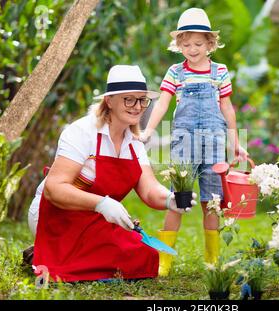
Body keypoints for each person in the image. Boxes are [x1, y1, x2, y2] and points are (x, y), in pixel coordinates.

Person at [28, 65, 197, 282]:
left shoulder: (134, 144)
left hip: (95, 220)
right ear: (109, 101)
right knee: (101, 260)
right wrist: (102, 204)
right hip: (54, 214)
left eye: (142, 100)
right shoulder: (82, 131)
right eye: (129, 99)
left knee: (144, 257)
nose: (138, 107)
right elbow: (54, 189)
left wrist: (170, 199)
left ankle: (73, 254)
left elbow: (149, 190)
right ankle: (42, 252)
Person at [139, 8, 249, 276]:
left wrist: (235, 142)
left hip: (214, 142)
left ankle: (212, 261)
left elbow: (227, 107)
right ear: (179, 44)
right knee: (179, 198)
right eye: (186, 44)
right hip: (184, 141)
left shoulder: (219, 71)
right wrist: (148, 132)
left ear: (210, 43)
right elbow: (163, 103)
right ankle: (164, 262)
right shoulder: (175, 72)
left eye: (198, 44)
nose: (192, 49)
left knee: (211, 201)